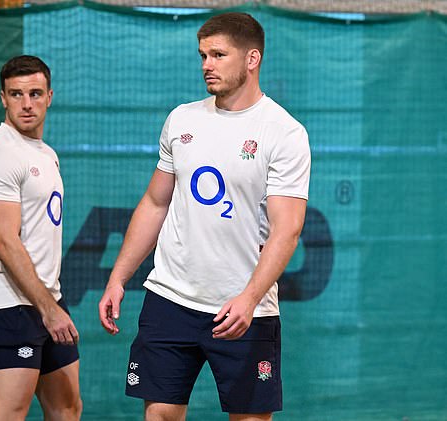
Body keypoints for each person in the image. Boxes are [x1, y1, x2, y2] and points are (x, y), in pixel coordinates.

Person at [99, 12, 310, 421]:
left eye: (217, 54)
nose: (206, 65)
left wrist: (249, 299)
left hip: (242, 310)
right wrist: (118, 277)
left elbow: (288, 230)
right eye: (202, 55)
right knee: (158, 413)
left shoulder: (284, 132)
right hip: (170, 298)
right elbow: (155, 203)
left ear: (252, 59)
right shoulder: (182, 119)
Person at [0, 55, 81, 421]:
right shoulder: (0, 155)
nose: (26, 103)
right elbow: (6, 242)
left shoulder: (44, 153)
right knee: (7, 412)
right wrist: (49, 310)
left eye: (35, 93)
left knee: (66, 409)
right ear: (2, 98)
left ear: (50, 96)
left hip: (45, 299)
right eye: (16, 94)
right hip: (10, 302)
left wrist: (51, 304)